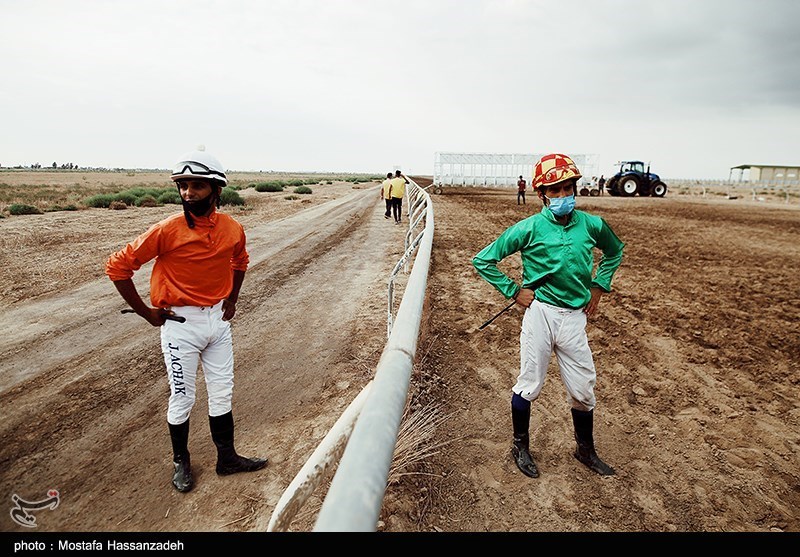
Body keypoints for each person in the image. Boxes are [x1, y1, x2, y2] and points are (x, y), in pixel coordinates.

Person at [105, 147, 267, 493]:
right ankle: (181, 462)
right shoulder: (167, 230)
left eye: (197, 186)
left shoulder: (232, 228)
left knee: (222, 393)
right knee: (183, 398)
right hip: (181, 326)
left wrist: (233, 299)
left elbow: (241, 261)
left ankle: (227, 459)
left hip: (217, 324)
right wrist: (146, 312)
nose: (188, 193)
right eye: (183, 186)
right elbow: (118, 267)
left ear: (216, 189)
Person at [472, 153, 624, 479]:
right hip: (540, 314)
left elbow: (615, 251)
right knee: (530, 384)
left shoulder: (592, 225)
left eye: (566, 188)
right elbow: (483, 259)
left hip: (574, 318)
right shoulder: (528, 227)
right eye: (553, 191)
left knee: (583, 390)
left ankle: (585, 450)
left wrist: (599, 286)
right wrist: (513, 291)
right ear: (541, 194)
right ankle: (520, 446)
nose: (561, 196)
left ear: (575, 189)